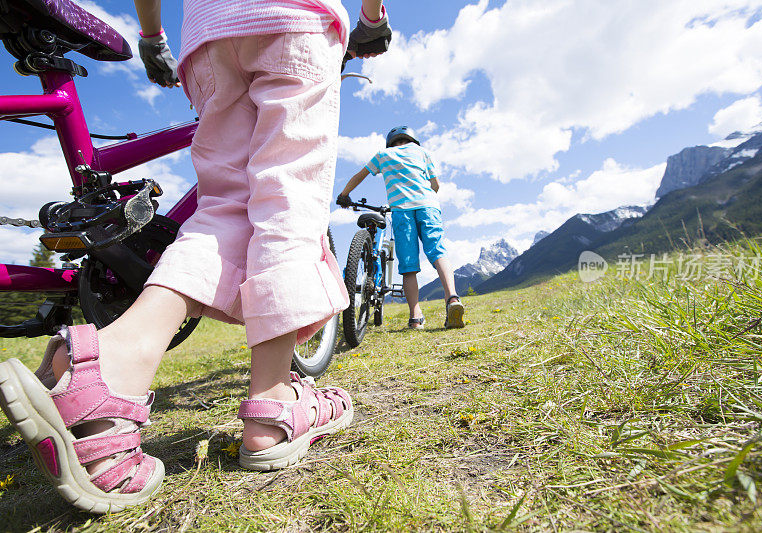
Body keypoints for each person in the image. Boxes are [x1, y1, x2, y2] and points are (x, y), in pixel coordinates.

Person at [0, 0, 391, 513]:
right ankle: (275, 402)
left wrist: (152, 35)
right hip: (293, 19)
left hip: (207, 36)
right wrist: (372, 19)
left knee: (223, 205)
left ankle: (113, 359)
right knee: (287, 200)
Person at [336, 126, 465, 330]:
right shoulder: (422, 152)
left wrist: (344, 195)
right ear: (412, 139)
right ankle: (453, 299)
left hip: (402, 210)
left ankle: (415, 317)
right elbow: (436, 184)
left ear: (391, 141)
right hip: (428, 205)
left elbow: (360, 175)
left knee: (408, 265)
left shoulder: (383, 154)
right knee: (437, 251)